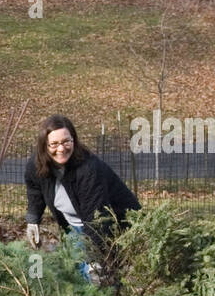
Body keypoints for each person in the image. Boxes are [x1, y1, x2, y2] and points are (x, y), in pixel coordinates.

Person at [24, 114, 140, 283]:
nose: (61, 149)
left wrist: (95, 259)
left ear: (74, 140)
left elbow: (97, 218)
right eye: (54, 144)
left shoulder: (88, 169)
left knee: (98, 277)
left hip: (113, 226)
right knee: (77, 273)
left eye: (66, 141)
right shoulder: (36, 166)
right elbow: (35, 191)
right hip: (73, 226)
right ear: (44, 146)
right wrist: (33, 220)